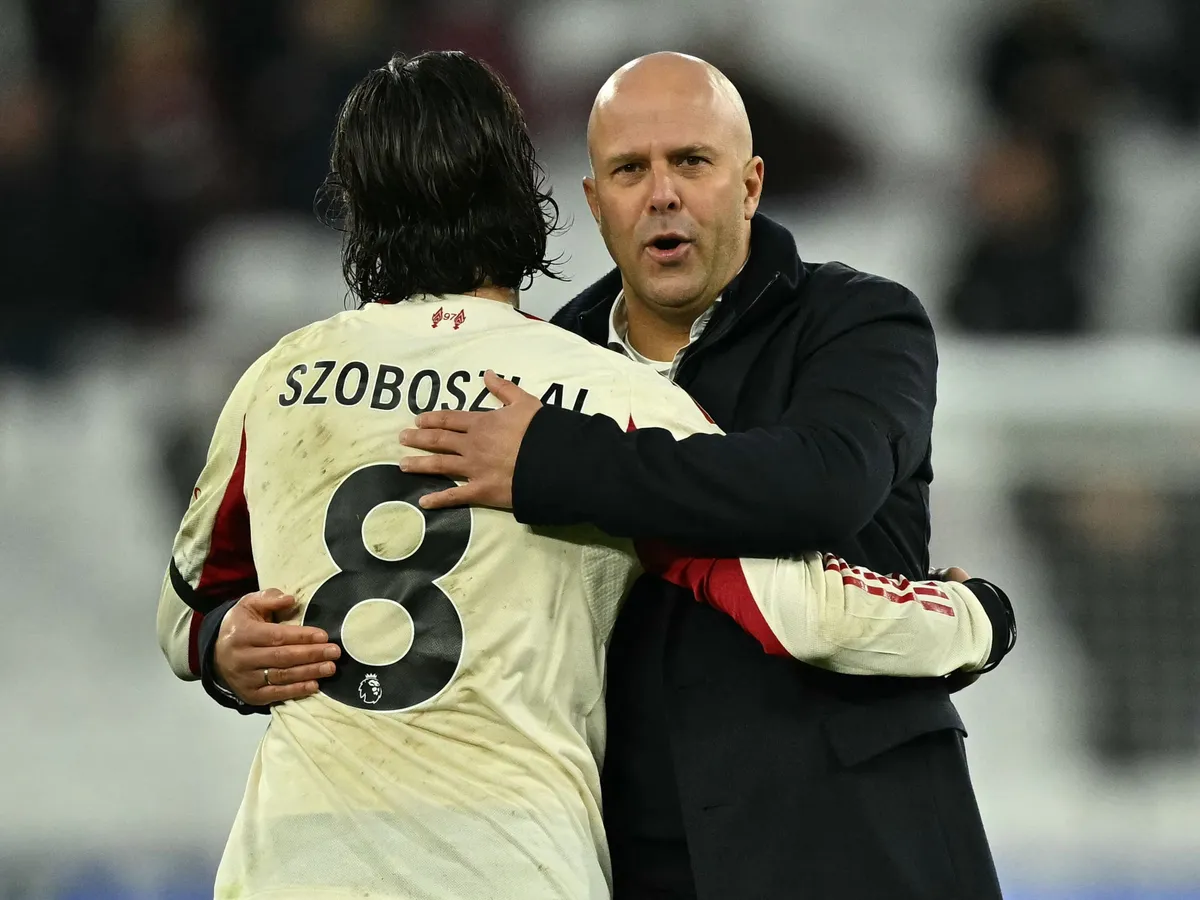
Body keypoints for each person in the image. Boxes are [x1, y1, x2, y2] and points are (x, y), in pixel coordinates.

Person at [156, 51, 1014, 899]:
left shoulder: (281, 378)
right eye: (631, 169)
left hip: (296, 863)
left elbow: (190, 609)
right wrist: (975, 619)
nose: (663, 193)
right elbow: (808, 609)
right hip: (543, 858)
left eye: (691, 162)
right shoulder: (578, 379)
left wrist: (224, 645)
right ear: (573, 205)